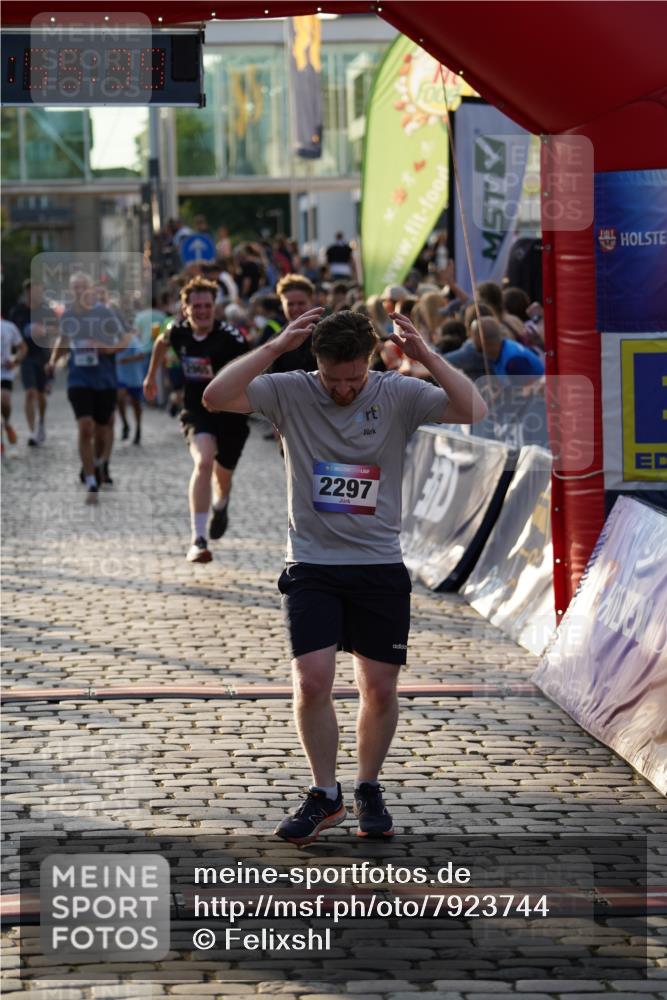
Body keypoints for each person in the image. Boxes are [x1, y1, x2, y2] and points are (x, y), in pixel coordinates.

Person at [202, 308, 487, 844]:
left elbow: (473, 408)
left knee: (378, 688)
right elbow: (216, 396)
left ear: (370, 362)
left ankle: (368, 786)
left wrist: (426, 356)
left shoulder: (396, 393)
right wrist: (273, 347)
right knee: (312, 681)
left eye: (354, 378)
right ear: (317, 364)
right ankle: (324, 793)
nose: (343, 389)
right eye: (333, 379)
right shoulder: (290, 390)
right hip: (312, 563)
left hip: (378, 564)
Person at [143, 277, 250, 563]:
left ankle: (221, 505)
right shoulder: (177, 330)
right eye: (196, 306)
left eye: (207, 306)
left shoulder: (232, 337)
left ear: (215, 307)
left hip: (232, 415)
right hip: (196, 410)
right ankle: (198, 540)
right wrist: (151, 376)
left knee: (223, 478)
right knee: (203, 462)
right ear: (185, 308)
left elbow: (255, 366)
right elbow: (161, 343)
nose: (202, 311)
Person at [46, 272, 126, 504]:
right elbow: (63, 341)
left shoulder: (105, 313)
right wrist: (52, 361)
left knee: (101, 432)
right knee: (85, 427)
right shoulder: (68, 315)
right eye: (76, 287)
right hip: (79, 379)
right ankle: (91, 481)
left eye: (83, 287)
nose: (80, 291)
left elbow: (125, 340)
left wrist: (108, 349)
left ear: (91, 289)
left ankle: (99, 463)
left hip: (104, 380)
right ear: (71, 291)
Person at [9, 280, 57, 446]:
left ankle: (41, 422)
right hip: (26, 356)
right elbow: (12, 331)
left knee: (41, 394)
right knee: (30, 392)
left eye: (38, 291)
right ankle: (32, 431)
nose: (34, 294)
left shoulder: (46, 310)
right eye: (31, 291)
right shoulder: (18, 311)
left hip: (43, 354)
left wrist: (44, 330)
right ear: (26, 292)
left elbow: (57, 329)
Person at [1, 315, 28, 448]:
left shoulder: (8, 326)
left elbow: (23, 347)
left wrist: (15, 361)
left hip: (4, 372)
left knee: (4, 401)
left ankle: (6, 422)